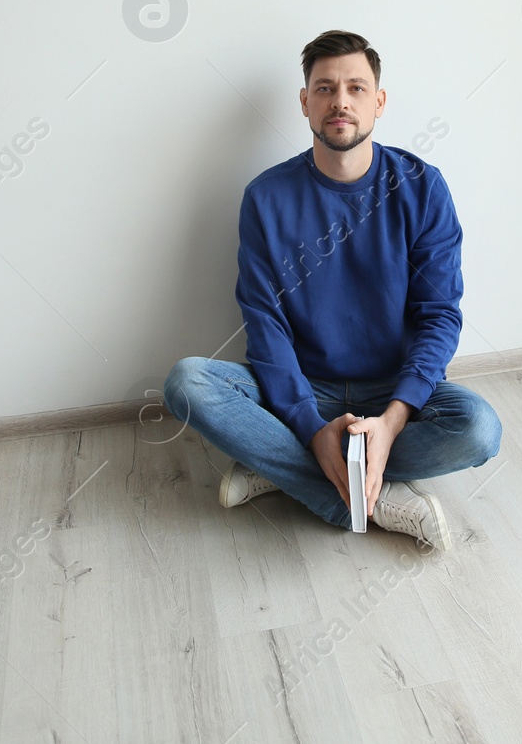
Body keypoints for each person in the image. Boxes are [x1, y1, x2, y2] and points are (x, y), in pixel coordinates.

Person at [163, 30, 501, 550]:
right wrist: (308, 422)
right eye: (324, 88)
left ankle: (278, 467)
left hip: (393, 390)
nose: (340, 100)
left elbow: (440, 316)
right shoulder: (266, 197)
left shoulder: (422, 186)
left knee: (479, 428)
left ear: (379, 102)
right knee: (188, 383)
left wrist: (391, 421)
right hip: (301, 386)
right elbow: (264, 323)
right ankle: (368, 500)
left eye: (356, 88)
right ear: (304, 102)